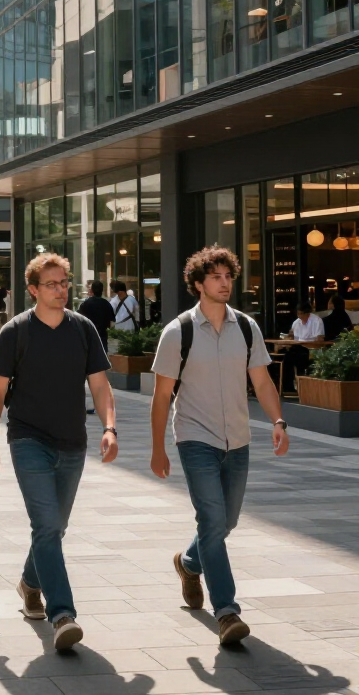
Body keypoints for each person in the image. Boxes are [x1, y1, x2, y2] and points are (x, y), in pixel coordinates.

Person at [150, 245, 286, 647]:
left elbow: (261, 381)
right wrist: (157, 448)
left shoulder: (246, 327)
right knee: (212, 521)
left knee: (225, 523)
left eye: (229, 277)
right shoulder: (178, 332)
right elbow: (161, 396)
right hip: (195, 438)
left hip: (239, 440)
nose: (225, 284)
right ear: (197, 284)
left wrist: (278, 420)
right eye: (216, 277)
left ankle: (188, 563)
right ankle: (226, 611)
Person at [0, 252, 116, 652]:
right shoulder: (15, 331)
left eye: (64, 283)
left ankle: (29, 582)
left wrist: (109, 427)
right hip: (28, 439)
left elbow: (100, 385)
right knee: (46, 525)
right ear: (34, 289)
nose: (61, 290)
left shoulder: (83, 328)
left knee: (53, 528)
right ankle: (63, 615)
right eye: (52, 284)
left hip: (73, 441)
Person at [284, 300, 325, 392]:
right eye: (298, 314)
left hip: (311, 350)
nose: (300, 316)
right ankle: (288, 386)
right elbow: (292, 337)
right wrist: (289, 337)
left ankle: (303, 386)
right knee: (287, 357)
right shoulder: (296, 323)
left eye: (302, 314)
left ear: (308, 313)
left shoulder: (317, 321)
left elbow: (320, 339)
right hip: (298, 348)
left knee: (298, 356)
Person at [79, 280, 116, 344]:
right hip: (102, 337)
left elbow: (79, 320)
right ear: (102, 291)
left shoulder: (86, 304)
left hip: (89, 337)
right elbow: (112, 323)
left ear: (92, 290)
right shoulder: (107, 304)